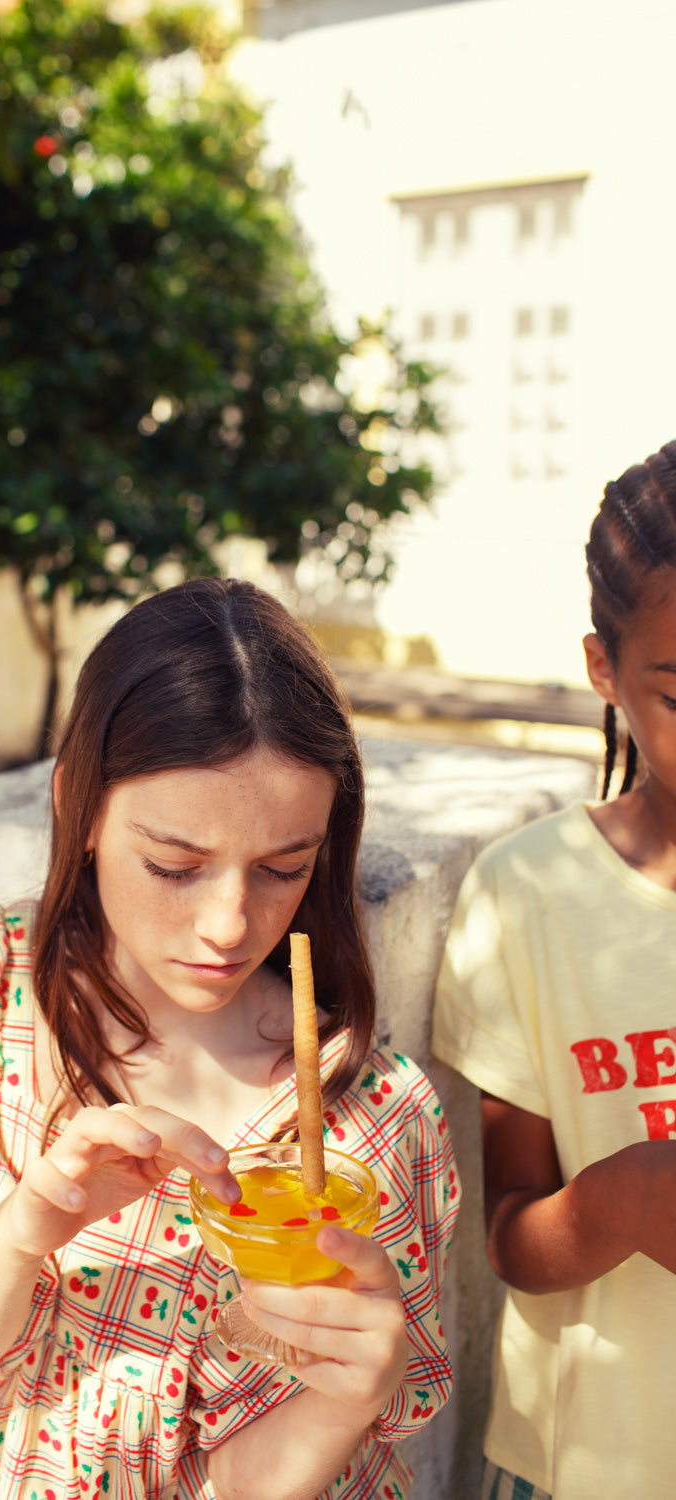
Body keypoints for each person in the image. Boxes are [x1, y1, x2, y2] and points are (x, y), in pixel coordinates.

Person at [0, 576, 459, 1500]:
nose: (228, 923)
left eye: (282, 868)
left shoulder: (378, 1119)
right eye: (175, 865)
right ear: (78, 810)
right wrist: (27, 1229)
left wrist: (345, 1401)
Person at [432, 440, 676, 1500]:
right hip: (587, 1466)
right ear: (603, 670)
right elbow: (511, 1237)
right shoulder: (524, 898)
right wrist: (616, 1205)